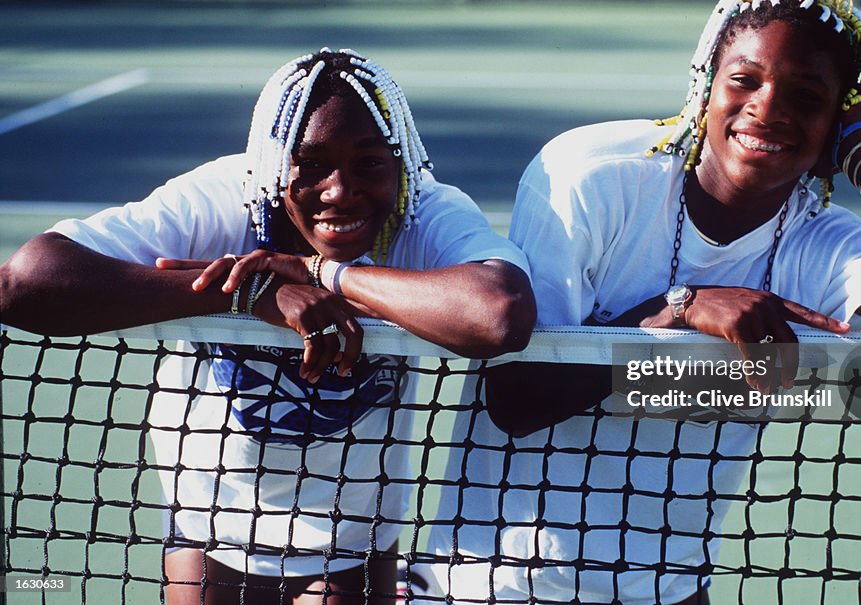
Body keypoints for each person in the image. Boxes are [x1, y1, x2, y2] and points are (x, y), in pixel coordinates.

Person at [414, 0, 861, 603]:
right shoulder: (591, 177)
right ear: (704, 86)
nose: (769, 108)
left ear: (835, 118)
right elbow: (517, 396)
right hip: (500, 583)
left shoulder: (820, 243)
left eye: (807, 97)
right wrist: (681, 308)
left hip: (667, 587)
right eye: (745, 80)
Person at [0, 48, 536, 604]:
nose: (339, 190)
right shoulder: (223, 198)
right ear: (276, 164)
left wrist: (326, 274)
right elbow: (22, 284)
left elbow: (498, 313)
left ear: (399, 163)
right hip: (210, 522)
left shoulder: (421, 210)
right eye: (310, 165)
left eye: (369, 163)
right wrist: (247, 295)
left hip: (350, 535)